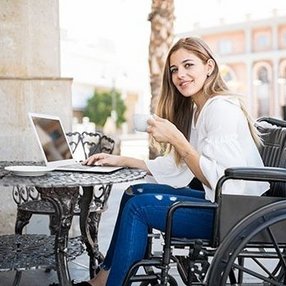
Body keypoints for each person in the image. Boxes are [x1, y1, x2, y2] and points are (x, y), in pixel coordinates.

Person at [75, 37, 268, 286]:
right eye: (174, 69)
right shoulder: (201, 109)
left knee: (139, 207)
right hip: (221, 203)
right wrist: (121, 159)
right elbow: (179, 168)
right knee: (135, 193)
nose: (180, 75)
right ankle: (102, 279)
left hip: (233, 213)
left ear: (209, 67)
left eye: (189, 65)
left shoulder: (220, 109)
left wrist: (179, 140)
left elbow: (221, 180)